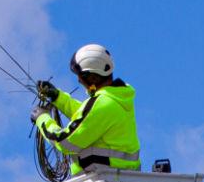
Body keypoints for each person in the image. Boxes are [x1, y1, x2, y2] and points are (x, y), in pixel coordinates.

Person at [34, 44, 140, 175]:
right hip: (120, 177)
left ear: (93, 77)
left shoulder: (102, 104)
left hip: (102, 178)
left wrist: (42, 118)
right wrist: (58, 97)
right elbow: (88, 117)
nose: (78, 80)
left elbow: (65, 142)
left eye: (80, 75)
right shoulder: (116, 98)